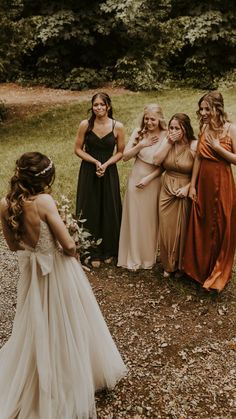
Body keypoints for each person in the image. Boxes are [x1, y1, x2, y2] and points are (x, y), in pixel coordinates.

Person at [0, 152, 127, 418]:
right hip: (57, 270)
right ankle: (73, 376)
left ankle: (38, 374)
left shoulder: (4, 204)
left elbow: (12, 246)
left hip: (32, 272)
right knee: (69, 319)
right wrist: (71, 235)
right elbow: (68, 246)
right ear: (46, 179)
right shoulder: (45, 202)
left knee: (35, 322)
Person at [183, 91, 236, 291]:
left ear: (217, 109)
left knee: (221, 224)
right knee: (202, 221)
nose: (203, 112)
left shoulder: (231, 129)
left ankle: (218, 271)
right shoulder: (204, 127)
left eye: (207, 109)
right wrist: (193, 185)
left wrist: (219, 148)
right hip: (203, 182)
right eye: (202, 109)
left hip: (221, 182)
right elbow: (198, 157)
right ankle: (199, 269)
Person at [75, 92, 125, 268]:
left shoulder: (117, 126)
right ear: (92, 107)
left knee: (109, 207)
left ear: (108, 106)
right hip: (89, 170)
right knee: (89, 206)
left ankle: (109, 250)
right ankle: (90, 250)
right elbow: (78, 149)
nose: (99, 108)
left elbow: (120, 152)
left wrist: (106, 164)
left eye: (102, 105)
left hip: (109, 171)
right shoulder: (85, 125)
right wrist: (95, 162)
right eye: (95, 105)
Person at [117, 104, 167, 271]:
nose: (149, 122)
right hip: (136, 179)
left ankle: (148, 257)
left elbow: (164, 165)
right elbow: (125, 157)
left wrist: (149, 179)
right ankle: (132, 256)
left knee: (150, 219)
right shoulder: (139, 132)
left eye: (153, 119)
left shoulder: (166, 135)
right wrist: (141, 145)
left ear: (159, 119)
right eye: (147, 118)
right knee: (135, 217)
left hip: (153, 180)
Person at [153, 113, 197, 278]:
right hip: (167, 189)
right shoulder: (168, 142)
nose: (173, 131)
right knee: (166, 229)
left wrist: (188, 187)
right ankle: (168, 264)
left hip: (184, 188)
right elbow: (157, 160)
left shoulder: (194, 145)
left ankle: (181, 264)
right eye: (171, 128)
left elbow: (199, 173)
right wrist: (169, 142)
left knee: (182, 229)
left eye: (177, 128)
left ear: (185, 129)